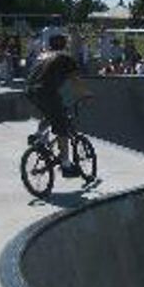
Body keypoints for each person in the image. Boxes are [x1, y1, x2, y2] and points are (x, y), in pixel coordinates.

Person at [25, 29, 86, 177]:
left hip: (30, 91)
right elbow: (75, 80)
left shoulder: (42, 56)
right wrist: (85, 94)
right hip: (46, 92)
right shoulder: (65, 57)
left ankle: (38, 136)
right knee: (62, 128)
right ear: (64, 44)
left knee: (52, 113)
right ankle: (66, 165)